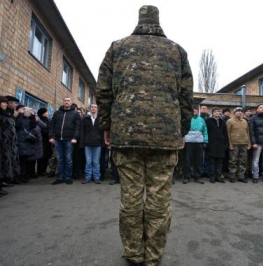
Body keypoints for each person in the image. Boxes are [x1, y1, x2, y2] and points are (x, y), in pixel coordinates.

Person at [95, 5, 193, 266]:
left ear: (139, 21)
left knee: (130, 198)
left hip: (126, 135)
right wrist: (181, 130)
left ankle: (133, 253)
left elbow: (103, 92)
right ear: (158, 21)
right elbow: (186, 97)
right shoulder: (177, 51)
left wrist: (106, 126)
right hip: (165, 137)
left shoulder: (117, 48)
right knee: (159, 200)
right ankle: (152, 257)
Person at [49, 97, 81, 185]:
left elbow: (77, 127)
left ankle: (67, 177)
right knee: (59, 159)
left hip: (69, 140)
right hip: (58, 139)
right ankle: (60, 177)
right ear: (63, 102)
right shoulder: (57, 113)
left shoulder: (75, 114)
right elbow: (52, 125)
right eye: (65, 101)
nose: (66, 102)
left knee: (68, 159)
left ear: (71, 103)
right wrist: (51, 136)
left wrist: (75, 137)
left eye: (68, 101)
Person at [0, 96, 20, 195]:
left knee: (6, 163)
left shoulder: (8, 114)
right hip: (3, 142)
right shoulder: (3, 115)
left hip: (9, 143)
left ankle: (4, 180)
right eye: (3, 103)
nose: (5, 104)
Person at [80, 104, 104, 184]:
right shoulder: (85, 119)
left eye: (95, 107)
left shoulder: (100, 119)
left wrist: (102, 142)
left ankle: (96, 177)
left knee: (96, 162)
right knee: (88, 161)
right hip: (88, 143)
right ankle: (88, 177)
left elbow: (103, 132)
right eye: (92, 107)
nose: (93, 108)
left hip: (97, 143)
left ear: (97, 109)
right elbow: (82, 131)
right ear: (90, 109)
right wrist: (82, 143)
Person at [183, 107, 207, 184]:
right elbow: (183, 130)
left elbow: (205, 130)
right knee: (188, 160)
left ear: (198, 111)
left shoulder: (201, 119)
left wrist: (205, 141)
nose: (194, 112)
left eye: (196, 110)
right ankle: (187, 177)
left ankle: (197, 177)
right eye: (193, 111)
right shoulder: (187, 119)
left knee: (198, 160)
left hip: (199, 142)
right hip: (189, 142)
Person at [226, 106, 251, 183]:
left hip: (244, 143)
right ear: (234, 113)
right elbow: (228, 133)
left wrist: (249, 143)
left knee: (243, 161)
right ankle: (232, 176)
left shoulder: (245, 121)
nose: (240, 112)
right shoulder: (230, 121)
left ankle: (241, 176)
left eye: (241, 111)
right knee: (233, 161)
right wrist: (229, 144)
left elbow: (248, 133)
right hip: (234, 143)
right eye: (238, 111)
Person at [205, 107, 229, 183]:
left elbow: (225, 133)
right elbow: (206, 132)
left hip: (221, 145)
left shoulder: (223, 122)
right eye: (215, 112)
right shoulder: (208, 121)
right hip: (212, 144)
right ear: (212, 113)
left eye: (218, 112)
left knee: (220, 163)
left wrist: (226, 143)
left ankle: (218, 177)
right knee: (212, 162)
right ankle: (212, 177)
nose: (217, 113)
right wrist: (207, 143)